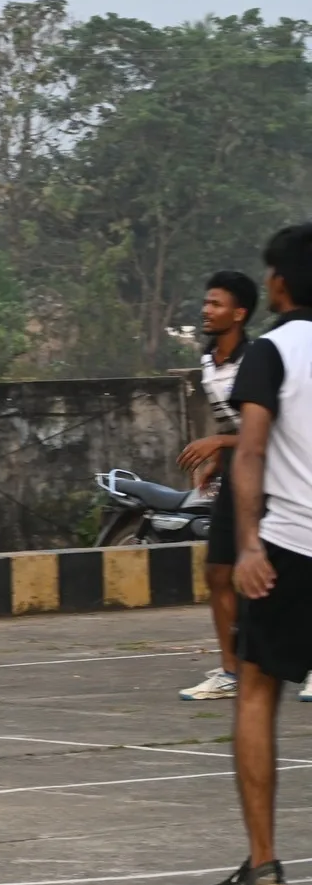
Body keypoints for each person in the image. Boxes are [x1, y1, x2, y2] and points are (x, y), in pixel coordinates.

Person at [213, 224, 312, 885]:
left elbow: (249, 452)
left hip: (291, 545)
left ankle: (265, 865)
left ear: (278, 283)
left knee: (256, 690)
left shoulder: (273, 350)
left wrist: (248, 543)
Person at [178, 270, 259, 702]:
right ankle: (231, 672)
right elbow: (235, 424)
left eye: (216, 304)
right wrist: (220, 460)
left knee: (288, 576)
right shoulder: (209, 361)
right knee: (218, 571)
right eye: (206, 303)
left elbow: (274, 429)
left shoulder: (259, 359)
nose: (206, 311)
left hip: (277, 476)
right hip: (238, 472)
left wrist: (217, 443)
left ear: (240, 313)